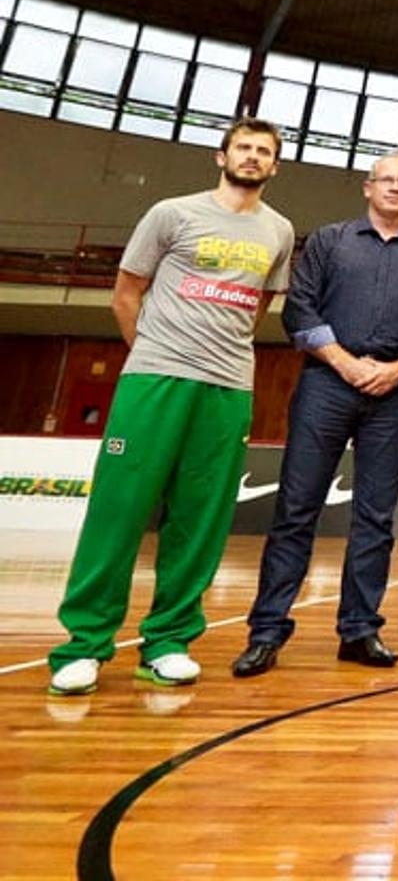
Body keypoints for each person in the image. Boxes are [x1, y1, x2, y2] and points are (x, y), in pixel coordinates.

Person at [48, 119, 295, 697]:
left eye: (264, 151)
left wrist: (216, 353)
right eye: (244, 148)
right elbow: (126, 292)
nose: (253, 157)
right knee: (119, 510)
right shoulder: (171, 213)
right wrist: (154, 351)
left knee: (200, 519)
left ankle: (167, 643)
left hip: (228, 386)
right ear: (222, 155)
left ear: (275, 165)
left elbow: (258, 305)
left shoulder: (280, 230)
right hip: (155, 379)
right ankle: (83, 645)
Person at [234, 154, 398, 677]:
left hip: (395, 392)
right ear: (367, 187)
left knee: (377, 516)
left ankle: (359, 630)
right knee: (296, 508)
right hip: (326, 385)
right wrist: (345, 362)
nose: (395, 188)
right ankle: (266, 631)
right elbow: (299, 310)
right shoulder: (329, 241)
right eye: (387, 180)